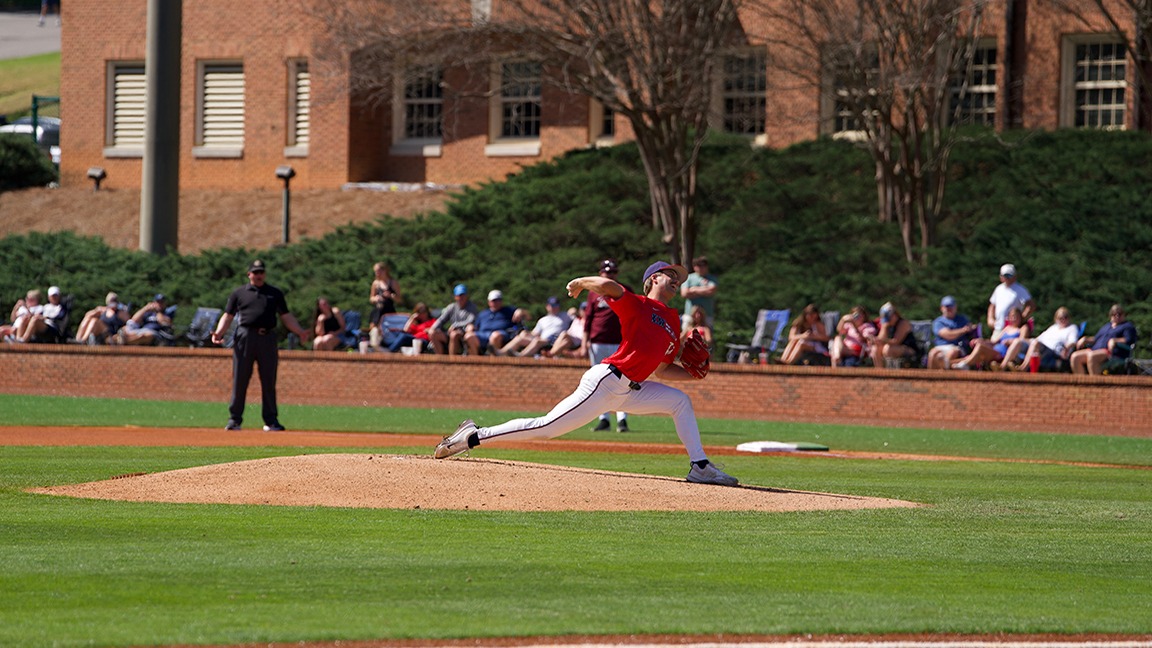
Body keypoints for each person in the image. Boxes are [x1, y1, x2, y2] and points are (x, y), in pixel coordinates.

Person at [434, 260, 739, 487]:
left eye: (678, 278)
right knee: (546, 427)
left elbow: (662, 369)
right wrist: (580, 281)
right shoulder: (639, 304)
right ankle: (472, 436)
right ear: (653, 279)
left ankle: (699, 466)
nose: (676, 280)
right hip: (606, 381)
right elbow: (609, 287)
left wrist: (694, 375)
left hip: (632, 390)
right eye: (670, 275)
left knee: (679, 401)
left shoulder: (673, 320)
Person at [211, 259, 311, 432]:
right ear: (249, 274)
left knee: (269, 379)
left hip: (267, 338)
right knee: (240, 379)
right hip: (245, 336)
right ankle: (235, 420)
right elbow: (228, 315)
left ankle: (271, 420)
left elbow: (285, 316)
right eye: (255, 272)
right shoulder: (239, 293)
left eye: (261, 272)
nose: (259, 275)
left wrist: (300, 331)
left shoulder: (274, 293)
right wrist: (219, 332)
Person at [583, 259, 630, 432]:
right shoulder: (593, 293)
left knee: (622, 381)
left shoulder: (625, 291)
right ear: (600, 273)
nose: (609, 275)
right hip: (597, 342)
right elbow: (588, 318)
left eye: (612, 272)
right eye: (606, 272)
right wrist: (583, 343)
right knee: (598, 382)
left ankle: (622, 419)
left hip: (620, 342)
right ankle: (604, 419)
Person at [1070, 304, 1138, 375]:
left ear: (1124, 315)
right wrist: (1085, 339)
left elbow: (1129, 340)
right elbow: (1096, 338)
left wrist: (1115, 340)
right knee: (1075, 357)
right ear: (1110, 316)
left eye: (1119, 314)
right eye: (1113, 314)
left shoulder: (1127, 326)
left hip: (1111, 352)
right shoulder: (1107, 326)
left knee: (1092, 356)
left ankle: (1095, 383)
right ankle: (1082, 382)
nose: (1116, 316)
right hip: (1094, 349)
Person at [952, 306, 1026, 370]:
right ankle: (949, 364)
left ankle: (965, 365)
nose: (1013, 319)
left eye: (1016, 316)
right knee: (975, 354)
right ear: (1009, 318)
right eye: (1012, 316)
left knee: (980, 348)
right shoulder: (1006, 328)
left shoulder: (1022, 328)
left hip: (1002, 354)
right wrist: (982, 340)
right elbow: (994, 342)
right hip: (994, 350)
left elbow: (1022, 342)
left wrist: (1010, 341)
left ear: (1020, 318)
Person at [503, 296, 572, 357]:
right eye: (552, 306)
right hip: (542, 340)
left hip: (555, 341)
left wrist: (573, 311)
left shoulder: (565, 315)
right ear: (547, 306)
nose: (555, 308)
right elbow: (535, 333)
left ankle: (521, 355)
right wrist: (526, 333)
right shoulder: (542, 320)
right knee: (520, 337)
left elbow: (577, 318)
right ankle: (501, 352)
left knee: (537, 341)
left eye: (556, 305)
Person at [1018, 307, 1080, 372]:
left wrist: (1066, 348)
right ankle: (1009, 365)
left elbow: (1073, 341)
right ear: (1056, 319)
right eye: (1060, 318)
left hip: (1054, 352)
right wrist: (1025, 340)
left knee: (1035, 344)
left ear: (1069, 318)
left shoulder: (1072, 328)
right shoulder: (1053, 327)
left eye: (1065, 317)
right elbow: (1039, 338)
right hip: (1041, 347)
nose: (1063, 319)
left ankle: (1023, 368)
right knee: (1018, 342)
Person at [926, 296, 979, 370]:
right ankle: (930, 377)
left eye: (951, 306)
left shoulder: (962, 319)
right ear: (942, 308)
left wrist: (970, 328)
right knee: (933, 353)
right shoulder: (938, 322)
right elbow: (947, 335)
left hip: (958, 346)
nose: (949, 309)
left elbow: (971, 327)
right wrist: (963, 330)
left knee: (952, 352)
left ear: (955, 307)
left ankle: (944, 375)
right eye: (947, 306)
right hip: (941, 346)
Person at [428, 284, 479, 355]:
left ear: (466, 296)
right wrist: (433, 328)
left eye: (463, 295)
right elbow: (441, 320)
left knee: (454, 334)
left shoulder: (472, 307)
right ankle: (439, 358)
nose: (461, 297)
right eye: (459, 295)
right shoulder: (451, 307)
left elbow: (471, 320)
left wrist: (456, 325)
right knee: (432, 333)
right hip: (450, 332)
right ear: (455, 297)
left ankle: (452, 360)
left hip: (464, 332)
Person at [468, 289, 521, 355]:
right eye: (494, 300)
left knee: (495, 335)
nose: (496, 302)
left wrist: (520, 311)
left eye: (498, 300)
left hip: (502, 333)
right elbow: (475, 326)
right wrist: (470, 327)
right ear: (489, 302)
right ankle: (475, 361)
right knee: (469, 336)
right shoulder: (483, 313)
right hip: (483, 334)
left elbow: (526, 315)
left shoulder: (509, 310)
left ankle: (492, 361)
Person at [987, 263, 1035, 336]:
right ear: (1001, 277)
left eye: (1010, 276)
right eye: (1005, 276)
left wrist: (1022, 318)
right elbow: (992, 305)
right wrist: (990, 319)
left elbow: (1031, 305)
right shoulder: (998, 289)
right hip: (999, 327)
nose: (1008, 278)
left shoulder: (1020, 289)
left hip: (1012, 329)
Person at [869, 302, 920, 368]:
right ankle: (880, 374)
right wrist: (876, 339)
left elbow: (896, 341)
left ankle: (893, 374)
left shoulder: (903, 323)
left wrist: (881, 340)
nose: (888, 321)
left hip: (909, 349)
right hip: (892, 347)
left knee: (888, 349)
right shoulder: (887, 324)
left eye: (889, 318)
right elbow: (880, 340)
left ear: (894, 315)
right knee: (875, 349)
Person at [367, 261, 402, 349]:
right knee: (374, 330)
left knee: (386, 333)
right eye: (375, 271)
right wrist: (376, 298)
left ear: (385, 271)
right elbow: (371, 298)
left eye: (378, 271)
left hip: (389, 312)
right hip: (378, 311)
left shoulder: (393, 282)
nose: (377, 273)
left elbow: (399, 299)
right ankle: (375, 348)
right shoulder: (376, 283)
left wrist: (391, 296)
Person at [680, 256, 717, 331]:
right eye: (699, 265)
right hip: (689, 313)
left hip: (707, 314)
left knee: (706, 338)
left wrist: (694, 290)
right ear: (694, 267)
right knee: (686, 336)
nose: (701, 268)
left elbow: (712, 291)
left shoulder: (711, 278)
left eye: (704, 265)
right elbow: (684, 293)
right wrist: (704, 290)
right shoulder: (689, 278)